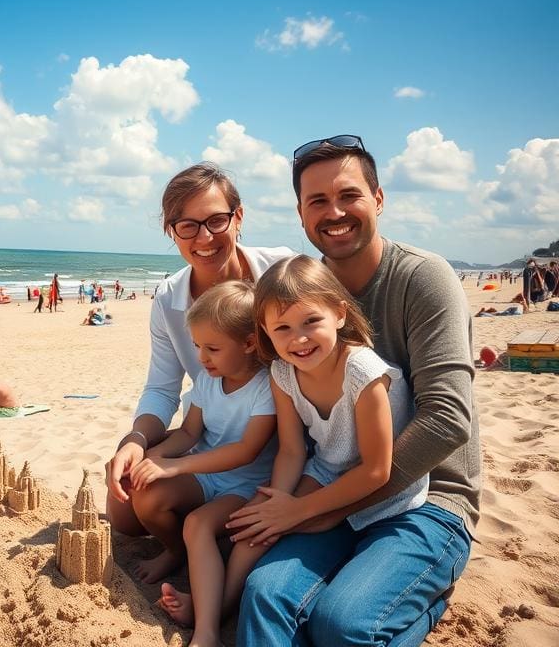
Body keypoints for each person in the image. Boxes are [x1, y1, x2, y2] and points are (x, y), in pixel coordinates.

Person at [232, 136, 478, 646]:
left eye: (349, 195)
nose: (335, 212)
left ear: (379, 198)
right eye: (317, 201)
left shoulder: (422, 278)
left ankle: (420, 602)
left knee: (342, 623)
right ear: (301, 215)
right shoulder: (306, 296)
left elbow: (448, 420)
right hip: (331, 489)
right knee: (265, 594)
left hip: (426, 498)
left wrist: (321, 510)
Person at [166, 256, 428, 641]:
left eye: (311, 322)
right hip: (324, 471)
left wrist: (298, 510)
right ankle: (218, 608)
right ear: (266, 335)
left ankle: (218, 605)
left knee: (279, 526)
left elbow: (377, 470)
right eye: (282, 328)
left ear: (339, 313)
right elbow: (290, 451)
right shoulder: (283, 373)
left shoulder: (363, 373)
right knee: (257, 526)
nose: (299, 339)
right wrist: (277, 504)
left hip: (385, 494)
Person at [105, 162, 294, 540]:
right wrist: (137, 441)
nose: (204, 237)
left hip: (284, 437)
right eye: (187, 226)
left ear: (238, 217)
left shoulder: (280, 272)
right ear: (171, 232)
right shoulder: (168, 299)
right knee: (125, 511)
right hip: (214, 434)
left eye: (216, 221)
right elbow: (162, 389)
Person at [128, 281, 277, 646]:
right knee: (146, 494)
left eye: (212, 348)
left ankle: (206, 631)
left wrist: (177, 467)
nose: (202, 358)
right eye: (197, 347)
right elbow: (189, 433)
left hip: (245, 486)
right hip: (206, 476)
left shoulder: (266, 387)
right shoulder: (208, 382)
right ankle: (176, 551)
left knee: (198, 523)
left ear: (249, 343)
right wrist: (157, 456)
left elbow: (246, 451)